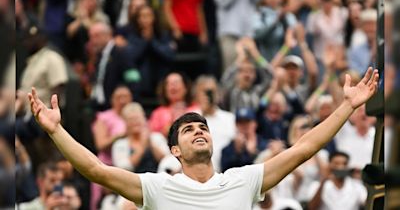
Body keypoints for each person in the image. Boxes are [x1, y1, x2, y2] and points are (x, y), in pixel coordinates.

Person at [27, 67, 378, 209]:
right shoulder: (156, 188)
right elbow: (95, 169)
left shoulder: (243, 179)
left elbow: (304, 148)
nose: (199, 131)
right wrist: (56, 130)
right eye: (189, 128)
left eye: (203, 128)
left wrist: (347, 106)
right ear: (175, 150)